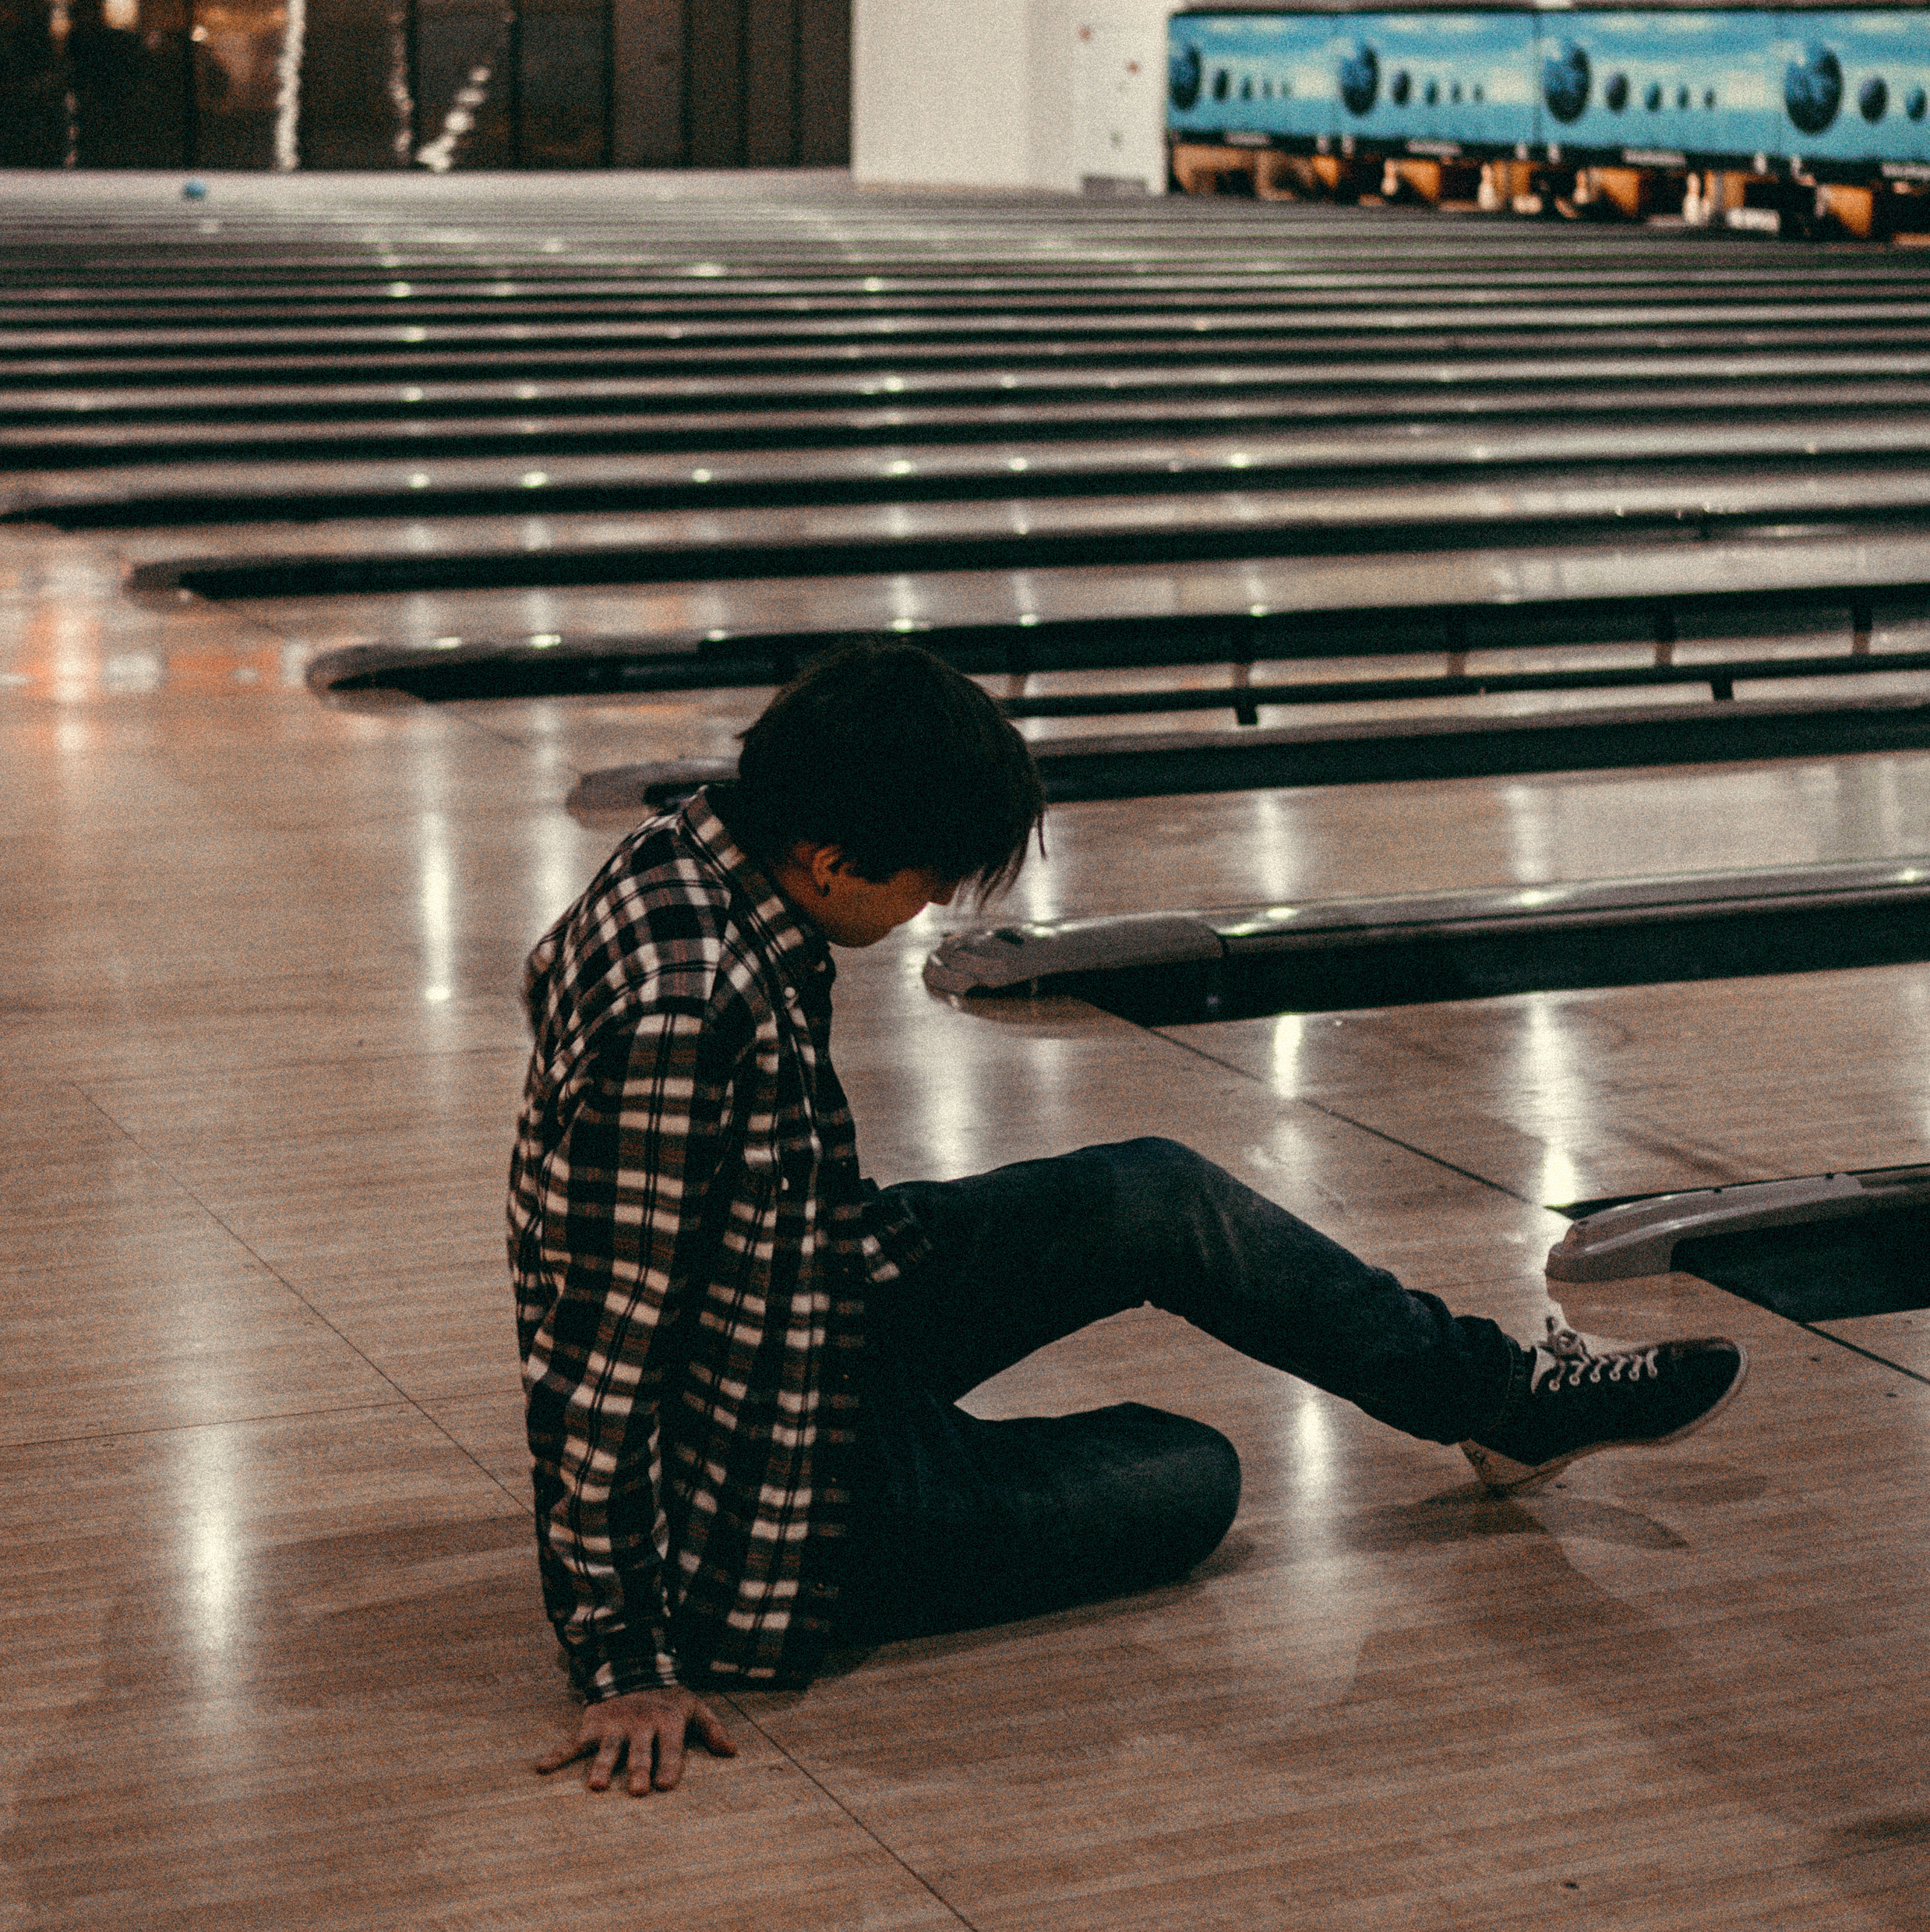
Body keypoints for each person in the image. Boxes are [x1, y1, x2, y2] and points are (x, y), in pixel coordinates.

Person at [509, 642, 1748, 1800]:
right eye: (930, 877)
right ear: (830, 858)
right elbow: (599, 1355)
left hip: (816, 1310)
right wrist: (626, 1659)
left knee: (1153, 1194)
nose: (936, 904)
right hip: (784, 1500)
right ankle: (927, 1489)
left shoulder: (694, 860)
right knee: (1192, 1473)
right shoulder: (679, 1015)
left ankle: (1502, 1401)